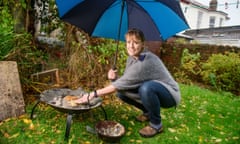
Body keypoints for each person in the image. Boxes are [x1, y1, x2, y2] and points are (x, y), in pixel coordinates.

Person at [75, 28, 181, 138]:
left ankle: (156, 125)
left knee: (146, 88)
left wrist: (93, 94)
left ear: (143, 44)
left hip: (170, 94)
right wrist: (114, 78)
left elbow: (122, 83)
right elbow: (126, 82)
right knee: (121, 93)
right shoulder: (131, 59)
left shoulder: (146, 61)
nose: (131, 46)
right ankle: (148, 112)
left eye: (136, 42)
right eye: (128, 42)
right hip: (154, 88)